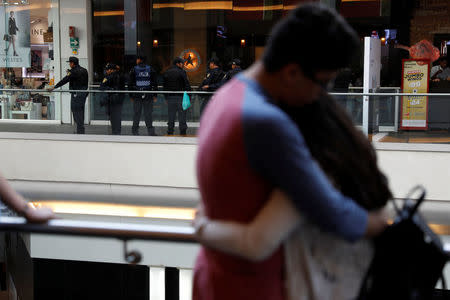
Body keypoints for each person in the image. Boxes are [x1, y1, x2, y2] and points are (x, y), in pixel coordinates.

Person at [192, 3, 387, 300]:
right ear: (293, 72)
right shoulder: (267, 123)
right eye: (323, 83)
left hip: (212, 278)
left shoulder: (227, 96)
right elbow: (327, 208)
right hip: (255, 288)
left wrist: (203, 228)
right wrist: (376, 225)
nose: (322, 95)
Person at [194, 94, 392, 300]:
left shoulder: (310, 173)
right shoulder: (352, 159)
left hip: (326, 287)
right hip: (359, 281)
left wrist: (201, 226)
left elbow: (256, 242)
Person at [48, 57, 89, 134]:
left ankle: (80, 132)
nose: (69, 64)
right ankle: (81, 130)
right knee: (81, 112)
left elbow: (65, 80)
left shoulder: (73, 71)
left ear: (73, 63)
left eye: (70, 63)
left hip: (76, 95)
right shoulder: (84, 70)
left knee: (76, 112)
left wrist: (54, 87)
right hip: (83, 94)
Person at [128, 56, 158, 136]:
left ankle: (135, 131)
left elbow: (130, 84)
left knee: (137, 113)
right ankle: (151, 131)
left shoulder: (133, 69)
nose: (136, 60)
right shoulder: (151, 69)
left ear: (140, 60)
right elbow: (155, 83)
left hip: (137, 95)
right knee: (148, 114)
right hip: (148, 95)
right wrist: (155, 95)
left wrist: (131, 95)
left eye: (137, 59)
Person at [163, 57, 191, 135]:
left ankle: (170, 131)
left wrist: (166, 97)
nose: (183, 65)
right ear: (178, 64)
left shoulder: (167, 72)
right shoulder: (182, 72)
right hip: (181, 97)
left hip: (170, 97)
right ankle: (182, 132)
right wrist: (189, 96)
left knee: (171, 116)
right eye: (182, 63)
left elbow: (164, 86)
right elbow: (187, 85)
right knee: (182, 116)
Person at [100, 63, 123, 135]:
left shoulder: (109, 76)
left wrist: (109, 89)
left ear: (111, 70)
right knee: (117, 117)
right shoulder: (120, 75)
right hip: (119, 99)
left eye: (107, 70)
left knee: (113, 117)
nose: (106, 71)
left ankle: (115, 132)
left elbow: (101, 86)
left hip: (112, 100)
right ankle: (117, 132)